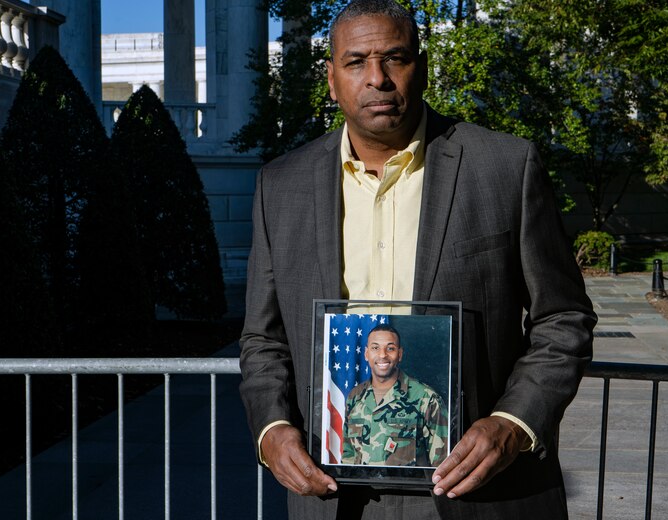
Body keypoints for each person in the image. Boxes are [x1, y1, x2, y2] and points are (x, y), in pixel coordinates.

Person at [239, 0, 597, 517]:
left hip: (478, 488)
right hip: (334, 494)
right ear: (332, 78)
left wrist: (513, 425)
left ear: (422, 68)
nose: (377, 78)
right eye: (356, 61)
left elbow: (563, 318)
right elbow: (262, 339)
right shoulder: (281, 185)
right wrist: (271, 430)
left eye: (395, 59)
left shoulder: (505, 167)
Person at [342, 325, 447, 467]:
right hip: (362, 488)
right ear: (366, 354)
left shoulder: (426, 398)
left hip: (406, 488)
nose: (382, 354)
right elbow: (348, 456)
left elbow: (442, 464)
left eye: (390, 348)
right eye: (375, 348)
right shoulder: (355, 397)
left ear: (400, 354)